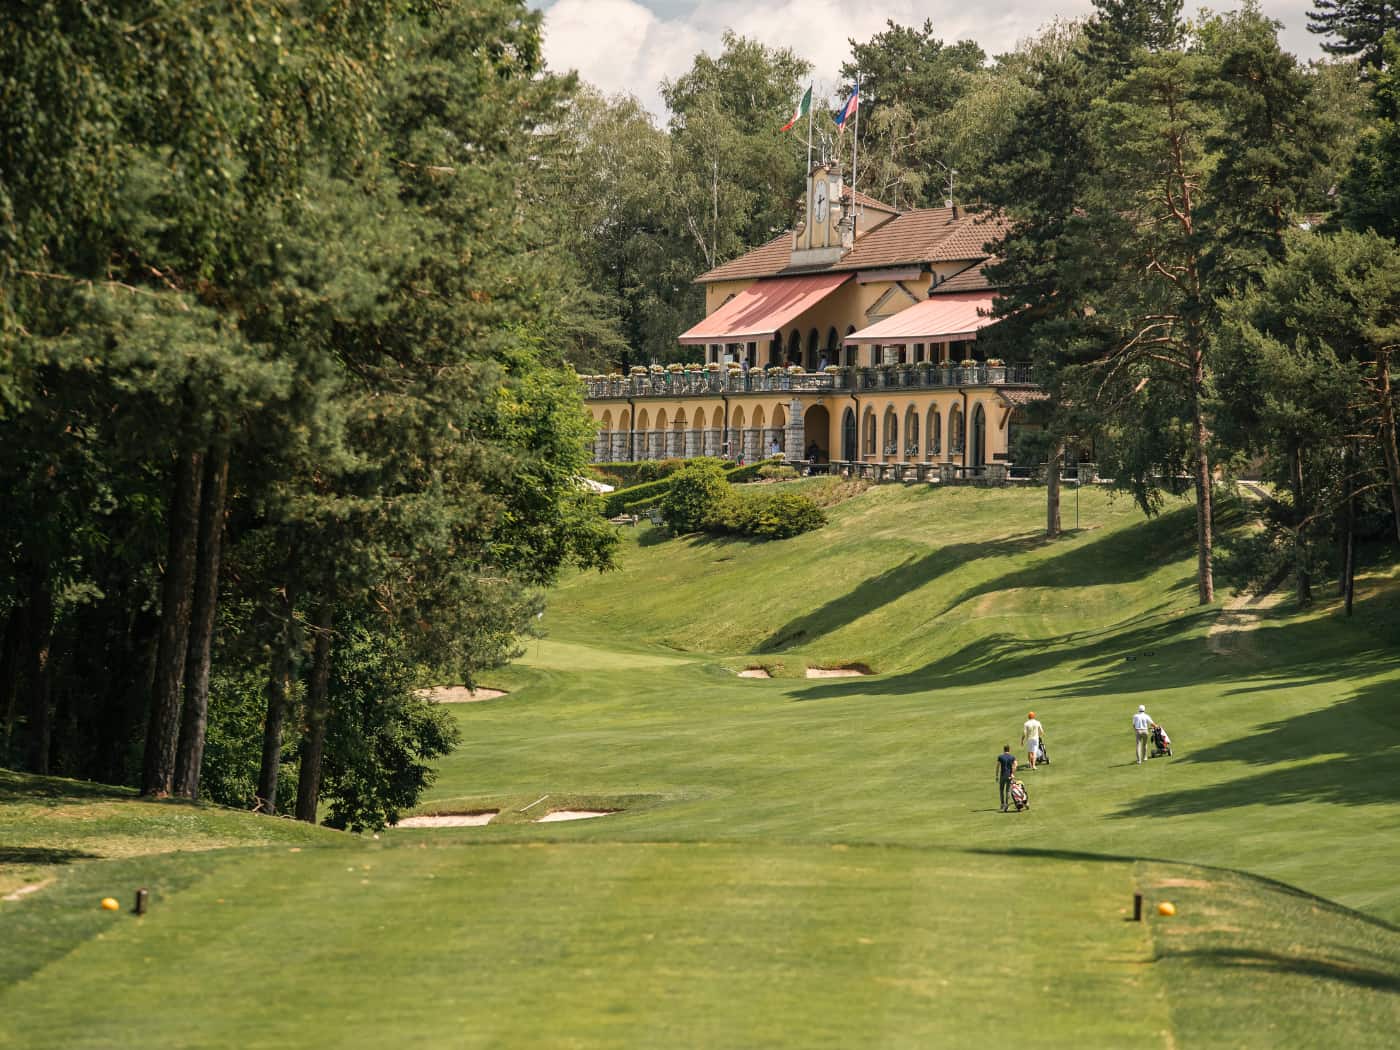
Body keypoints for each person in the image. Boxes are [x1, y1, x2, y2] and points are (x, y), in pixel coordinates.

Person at [996, 745, 1018, 812]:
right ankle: (1007, 805)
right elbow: (1016, 764)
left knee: (1001, 790)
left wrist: (996, 775)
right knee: (1008, 791)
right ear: (1009, 750)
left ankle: (1002, 804)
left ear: (1004, 750)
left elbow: (997, 766)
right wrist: (1012, 773)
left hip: (1002, 775)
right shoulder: (1012, 757)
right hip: (1009, 775)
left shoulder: (1000, 757)